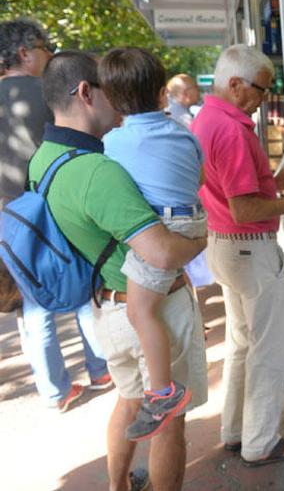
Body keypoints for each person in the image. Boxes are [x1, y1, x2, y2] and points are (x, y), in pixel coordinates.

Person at [34, 51, 207, 491]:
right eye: (108, 88)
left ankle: (118, 485)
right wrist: (203, 241)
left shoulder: (45, 159)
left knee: (128, 401)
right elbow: (164, 252)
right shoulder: (100, 170)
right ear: (87, 93)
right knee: (168, 423)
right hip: (151, 309)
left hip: (105, 307)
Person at [192, 44, 284, 467]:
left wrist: (275, 182)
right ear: (236, 84)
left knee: (242, 343)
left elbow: (237, 194)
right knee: (269, 350)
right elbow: (247, 208)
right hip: (250, 246)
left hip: (224, 243)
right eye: (262, 89)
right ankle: (262, 442)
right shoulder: (233, 131)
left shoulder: (206, 120)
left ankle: (236, 431)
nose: (264, 99)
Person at [0, 18, 111, 412]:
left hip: (8, 219)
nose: (49, 58)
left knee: (32, 303)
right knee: (83, 283)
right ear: (25, 52)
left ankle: (53, 390)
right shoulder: (45, 93)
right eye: (46, 50)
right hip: (50, 205)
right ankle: (101, 368)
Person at [100, 47, 207, 441]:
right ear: (163, 94)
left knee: (139, 310)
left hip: (162, 222)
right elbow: (200, 179)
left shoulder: (112, 144)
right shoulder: (182, 132)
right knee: (157, 300)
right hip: (192, 215)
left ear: (109, 99)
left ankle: (162, 392)